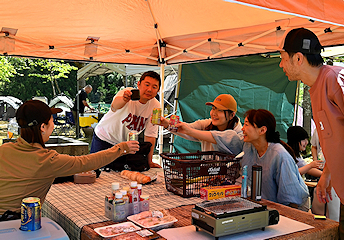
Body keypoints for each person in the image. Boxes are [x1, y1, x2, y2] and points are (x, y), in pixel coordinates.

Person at [279, 28, 344, 237]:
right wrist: (327, 174)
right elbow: (338, 139)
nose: (280, 65)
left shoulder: (339, 79)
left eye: (282, 57)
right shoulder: (314, 88)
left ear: (298, 58)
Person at [0, 100, 139, 220]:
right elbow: (87, 162)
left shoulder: (4, 150)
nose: (53, 125)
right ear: (43, 127)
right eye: (52, 121)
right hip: (15, 224)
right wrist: (121, 148)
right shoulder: (46, 160)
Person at [175, 109, 309, 211]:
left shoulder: (279, 155)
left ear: (262, 130)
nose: (243, 129)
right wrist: (188, 131)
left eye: (247, 125)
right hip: (264, 206)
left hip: (290, 209)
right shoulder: (248, 145)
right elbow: (223, 138)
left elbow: (291, 198)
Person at [91, 71, 161, 169]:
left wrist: (149, 161)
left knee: (116, 175)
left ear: (158, 90)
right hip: (104, 138)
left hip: (123, 146)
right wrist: (124, 99)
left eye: (154, 87)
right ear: (139, 84)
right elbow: (114, 106)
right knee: (95, 171)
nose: (149, 90)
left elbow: (150, 135)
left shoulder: (156, 106)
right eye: (147, 84)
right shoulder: (128, 93)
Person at [156, 94, 243, 151]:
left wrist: (188, 131)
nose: (214, 114)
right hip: (207, 174)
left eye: (220, 110)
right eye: (213, 109)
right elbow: (188, 127)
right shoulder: (207, 124)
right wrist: (166, 124)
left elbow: (216, 137)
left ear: (232, 115)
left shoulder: (237, 135)